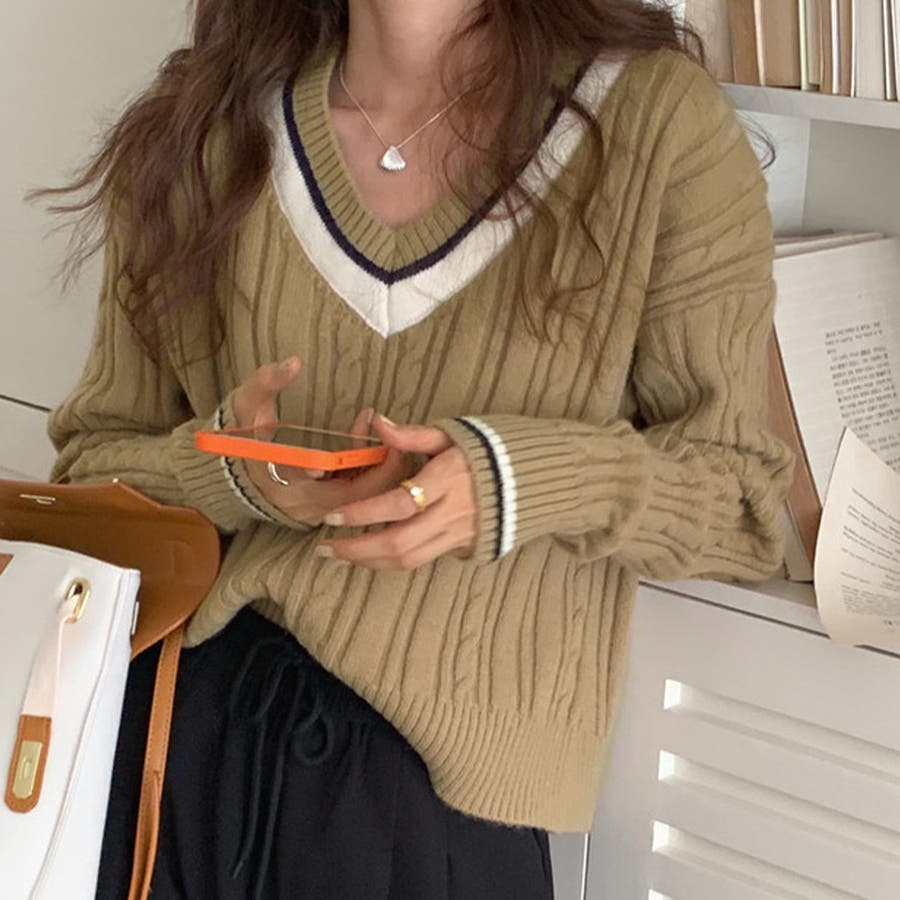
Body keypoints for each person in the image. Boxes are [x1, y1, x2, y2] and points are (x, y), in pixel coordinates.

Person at [43, 0, 794, 897]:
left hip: (441, 810)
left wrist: (517, 483)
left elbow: (742, 506)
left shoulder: (657, 125)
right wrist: (233, 474)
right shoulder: (209, 121)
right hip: (172, 754)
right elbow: (85, 479)